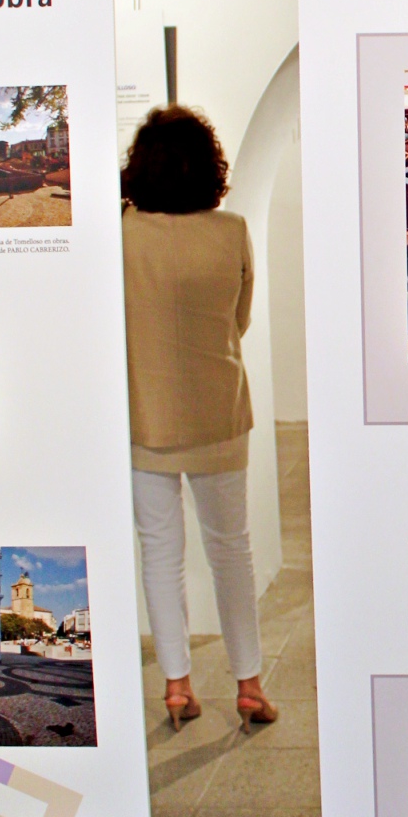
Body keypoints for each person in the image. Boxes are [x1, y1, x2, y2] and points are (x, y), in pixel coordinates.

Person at [120, 105, 277, 732]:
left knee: (160, 552)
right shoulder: (231, 229)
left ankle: (178, 686)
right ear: (210, 168)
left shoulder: (122, 234)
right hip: (217, 411)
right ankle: (249, 685)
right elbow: (238, 321)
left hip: (146, 416)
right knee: (230, 552)